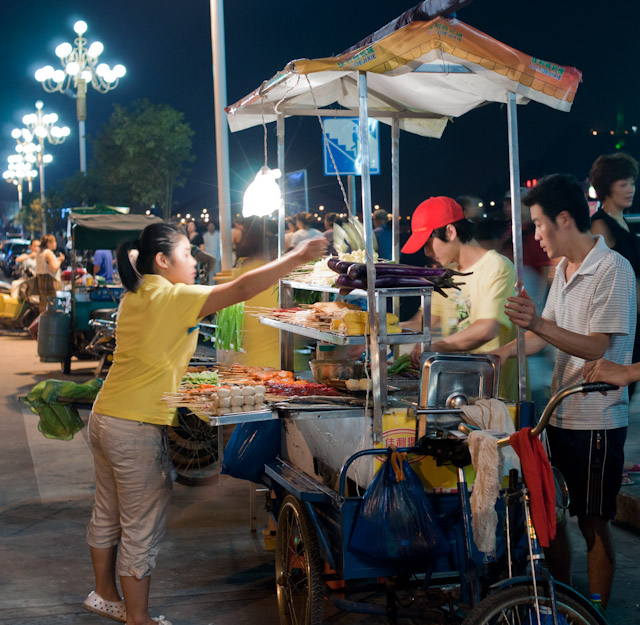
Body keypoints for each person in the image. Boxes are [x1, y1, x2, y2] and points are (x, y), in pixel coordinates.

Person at [84, 222, 326, 625]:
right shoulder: (172, 297)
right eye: (186, 253)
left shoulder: (136, 293)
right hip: (135, 427)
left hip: (106, 415)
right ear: (162, 260)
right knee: (141, 524)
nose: (195, 261)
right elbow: (242, 289)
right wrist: (298, 257)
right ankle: (139, 618)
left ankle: (105, 594)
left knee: (107, 513)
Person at [492, 174, 635, 608]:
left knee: (593, 522)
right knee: (550, 516)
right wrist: (497, 355)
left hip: (596, 419)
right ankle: (562, 605)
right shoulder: (564, 269)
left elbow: (596, 346)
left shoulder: (613, 269)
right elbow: (544, 336)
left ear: (565, 219)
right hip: (559, 413)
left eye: (538, 224)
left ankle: (592, 612)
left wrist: (537, 323)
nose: (535, 235)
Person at [403, 196, 517, 401]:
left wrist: (435, 347)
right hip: (455, 391)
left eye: (429, 243)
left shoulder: (498, 267)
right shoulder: (448, 274)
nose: (427, 252)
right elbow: (421, 321)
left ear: (451, 231)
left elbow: (486, 329)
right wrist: (376, 330)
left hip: (493, 395)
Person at [35, 234, 64, 313]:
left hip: (41, 280)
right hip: (50, 282)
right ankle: (51, 323)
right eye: (54, 242)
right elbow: (53, 268)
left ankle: (43, 322)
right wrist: (60, 260)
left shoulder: (40, 252)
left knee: (43, 303)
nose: (55, 243)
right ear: (48, 243)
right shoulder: (49, 253)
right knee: (52, 304)